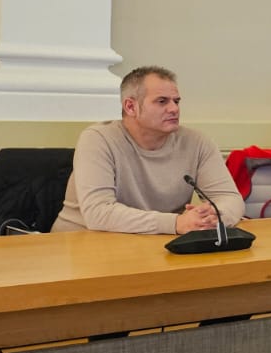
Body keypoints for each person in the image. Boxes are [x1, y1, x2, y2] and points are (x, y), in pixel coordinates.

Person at [53, 66, 245, 234]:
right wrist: (176, 223)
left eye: (176, 101)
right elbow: (99, 213)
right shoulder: (98, 139)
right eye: (162, 101)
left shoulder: (197, 142)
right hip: (80, 245)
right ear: (130, 106)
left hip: (152, 245)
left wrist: (214, 217)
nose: (174, 109)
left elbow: (229, 198)